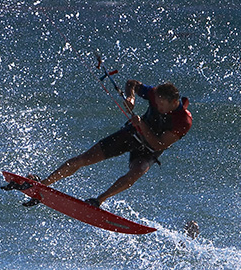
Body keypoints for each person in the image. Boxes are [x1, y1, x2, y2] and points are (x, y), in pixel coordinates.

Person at [23, 80, 192, 207]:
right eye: (157, 102)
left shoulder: (183, 121)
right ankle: (43, 184)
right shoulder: (155, 94)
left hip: (149, 149)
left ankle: (98, 201)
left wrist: (142, 125)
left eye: (162, 105)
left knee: (136, 173)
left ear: (174, 102)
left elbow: (158, 145)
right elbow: (131, 83)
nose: (158, 106)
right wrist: (131, 97)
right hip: (131, 135)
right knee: (85, 158)